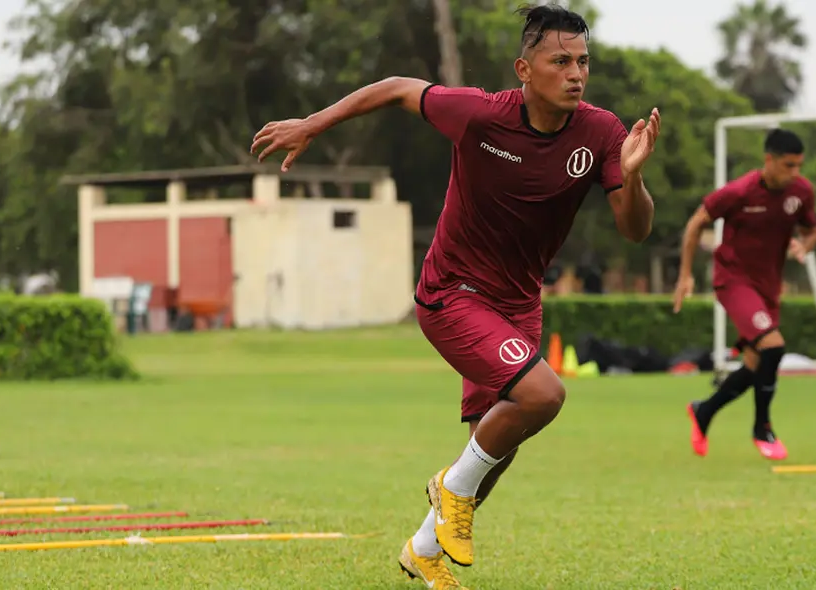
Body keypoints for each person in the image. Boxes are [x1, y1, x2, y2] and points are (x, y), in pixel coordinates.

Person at [250, 4, 659, 588]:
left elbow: (635, 230)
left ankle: (422, 549)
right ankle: (448, 489)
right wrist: (313, 124)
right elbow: (395, 88)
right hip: (452, 294)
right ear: (524, 68)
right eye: (561, 61)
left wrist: (635, 174)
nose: (577, 73)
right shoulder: (479, 115)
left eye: (583, 62)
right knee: (542, 397)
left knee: (493, 446)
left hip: (519, 305)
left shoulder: (602, 132)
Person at [672, 128, 816, 462]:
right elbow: (696, 222)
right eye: (788, 165)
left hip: (768, 288)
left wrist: (803, 245)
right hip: (733, 280)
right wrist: (684, 276)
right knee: (774, 346)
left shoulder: (801, 192)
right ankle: (762, 427)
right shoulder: (739, 192)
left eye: (799, 165)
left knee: (756, 364)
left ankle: (704, 410)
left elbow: (812, 231)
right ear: (769, 160)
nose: (795, 173)